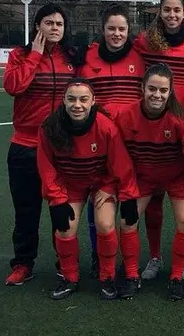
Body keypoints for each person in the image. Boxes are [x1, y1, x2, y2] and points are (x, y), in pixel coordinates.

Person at [114, 64, 184, 301]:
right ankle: (132, 275)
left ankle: (176, 277)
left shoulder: (179, 119)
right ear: (142, 88)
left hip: (177, 177)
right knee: (127, 220)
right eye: (152, 88)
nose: (157, 95)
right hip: (142, 178)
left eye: (163, 90)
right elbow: (118, 156)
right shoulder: (125, 116)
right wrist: (123, 188)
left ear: (170, 92)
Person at [133, 0, 184, 281]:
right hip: (154, 124)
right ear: (160, 11)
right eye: (166, 9)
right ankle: (154, 257)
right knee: (153, 199)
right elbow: (124, 55)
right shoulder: (145, 39)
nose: (171, 15)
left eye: (177, 10)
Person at [37, 78, 140, 300]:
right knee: (65, 229)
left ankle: (107, 277)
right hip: (70, 184)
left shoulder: (106, 127)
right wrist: (57, 200)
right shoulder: (50, 127)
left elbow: (121, 164)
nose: (77, 105)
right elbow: (46, 167)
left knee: (104, 223)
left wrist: (128, 196)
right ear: (63, 101)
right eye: (71, 99)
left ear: (93, 101)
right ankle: (69, 277)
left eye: (84, 99)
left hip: (101, 182)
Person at [3, 3, 82, 286]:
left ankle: (64, 261)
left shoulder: (72, 57)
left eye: (59, 24)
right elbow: (13, 86)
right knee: (26, 211)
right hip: (24, 146)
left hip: (61, 147)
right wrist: (35, 56)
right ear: (38, 26)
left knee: (59, 208)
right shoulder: (19, 55)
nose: (54, 28)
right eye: (48, 23)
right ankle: (23, 264)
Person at [77, 3, 145, 279]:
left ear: (129, 31)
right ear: (102, 29)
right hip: (99, 144)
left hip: (133, 143)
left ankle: (131, 262)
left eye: (122, 29)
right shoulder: (88, 57)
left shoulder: (141, 56)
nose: (116, 34)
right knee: (98, 202)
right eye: (111, 28)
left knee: (132, 202)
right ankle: (99, 257)